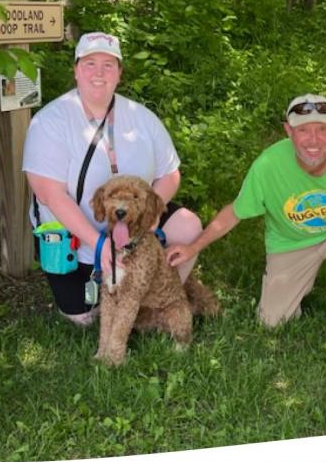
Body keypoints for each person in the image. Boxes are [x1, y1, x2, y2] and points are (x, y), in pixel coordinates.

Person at [166, 94, 326, 359]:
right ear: (288, 131)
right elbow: (233, 213)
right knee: (273, 322)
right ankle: (297, 284)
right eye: (303, 130)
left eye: (322, 129)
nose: (313, 140)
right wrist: (193, 247)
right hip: (291, 243)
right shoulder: (268, 165)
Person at [23, 33, 205, 326]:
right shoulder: (49, 121)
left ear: (119, 73)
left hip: (134, 229)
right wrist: (99, 245)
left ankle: (157, 301)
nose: (99, 73)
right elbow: (50, 195)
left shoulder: (142, 118)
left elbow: (170, 174)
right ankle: (112, 291)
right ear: (76, 69)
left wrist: (150, 216)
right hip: (77, 238)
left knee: (188, 226)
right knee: (83, 318)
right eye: (90, 63)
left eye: (108, 65)